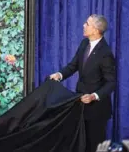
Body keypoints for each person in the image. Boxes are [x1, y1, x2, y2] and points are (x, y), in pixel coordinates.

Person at [49, 14, 116, 152]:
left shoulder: (105, 53)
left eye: (87, 23)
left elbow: (111, 83)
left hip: (97, 109)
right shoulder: (84, 43)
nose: (83, 25)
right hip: (80, 104)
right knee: (80, 143)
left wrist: (94, 96)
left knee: (94, 144)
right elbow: (73, 66)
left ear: (96, 30)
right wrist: (59, 75)